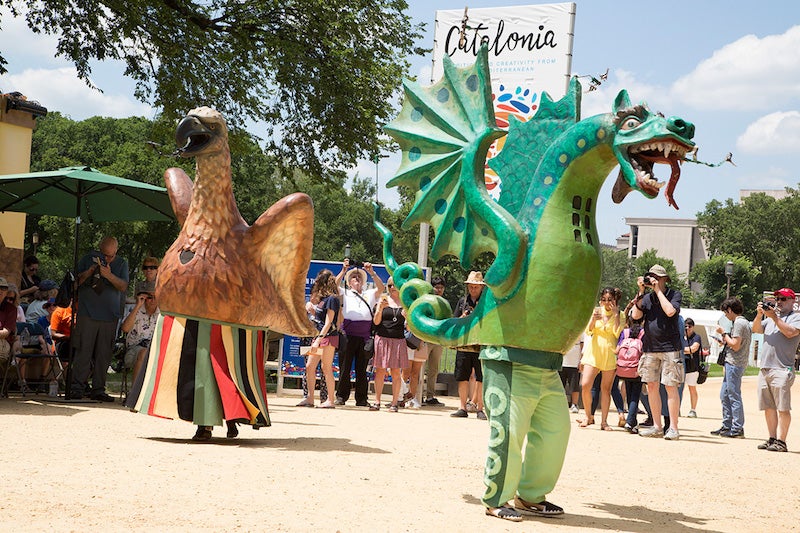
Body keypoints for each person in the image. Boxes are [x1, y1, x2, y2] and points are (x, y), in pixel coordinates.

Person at [69, 236, 129, 401]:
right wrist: (88, 272)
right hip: (87, 313)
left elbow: (123, 286)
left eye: (110, 256)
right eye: (104, 254)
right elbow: (74, 284)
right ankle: (77, 388)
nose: (106, 258)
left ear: (116, 252)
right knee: (83, 351)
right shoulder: (87, 259)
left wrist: (108, 275)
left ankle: (98, 389)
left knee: (104, 354)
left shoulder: (122, 263)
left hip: (110, 315)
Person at [630, 264, 683, 440]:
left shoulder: (674, 294)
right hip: (650, 347)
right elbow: (636, 317)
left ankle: (673, 428)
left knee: (670, 386)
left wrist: (658, 291)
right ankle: (657, 426)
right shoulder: (646, 298)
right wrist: (640, 293)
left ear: (663, 279)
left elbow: (670, 311)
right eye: (650, 277)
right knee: (651, 386)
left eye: (656, 278)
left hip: (670, 347)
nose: (652, 280)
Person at [752, 288, 800, 452]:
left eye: (784, 299)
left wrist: (774, 317)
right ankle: (772, 438)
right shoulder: (771, 319)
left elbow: (789, 332)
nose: (779, 302)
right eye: (777, 298)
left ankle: (782, 441)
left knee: (783, 408)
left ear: (793, 301)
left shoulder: (796, 318)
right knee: (768, 407)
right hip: (765, 368)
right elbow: (756, 329)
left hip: (782, 368)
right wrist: (760, 315)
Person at [334, 260, 384, 406]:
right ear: (349, 283)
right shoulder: (346, 292)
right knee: (344, 368)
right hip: (348, 334)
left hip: (364, 336)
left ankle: (361, 399)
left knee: (362, 370)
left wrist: (372, 272)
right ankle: (341, 396)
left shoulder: (369, 293)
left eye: (359, 278)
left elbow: (381, 287)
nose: (357, 279)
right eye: (354, 278)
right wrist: (343, 271)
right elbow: (334, 285)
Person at [577, 287, 624, 430]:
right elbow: (588, 331)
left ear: (615, 300)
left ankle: (604, 421)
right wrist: (592, 319)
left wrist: (615, 315)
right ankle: (588, 416)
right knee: (585, 385)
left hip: (609, 353)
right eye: (604, 299)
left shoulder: (620, 315)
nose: (606, 302)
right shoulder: (596, 312)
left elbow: (617, 333)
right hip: (594, 351)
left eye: (610, 299)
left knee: (606, 389)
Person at [296, 269, 339, 409]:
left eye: (318, 280)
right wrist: (313, 311)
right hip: (319, 336)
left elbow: (329, 322)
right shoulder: (323, 300)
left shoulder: (332, 299)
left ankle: (330, 400)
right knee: (310, 366)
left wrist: (319, 339)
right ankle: (310, 398)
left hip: (327, 337)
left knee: (326, 368)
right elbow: (320, 319)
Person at [709, 298, 752, 438]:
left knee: (733, 395)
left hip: (735, 363)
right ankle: (727, 425)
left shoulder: (739, 323)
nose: (726, 316)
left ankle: (737, 427)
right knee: (725, 395)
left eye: (726, 312)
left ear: (730, 310)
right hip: (733, 362)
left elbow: (735, 344)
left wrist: (723, 333)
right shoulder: (742, 322)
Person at [450, 271, 486, 420]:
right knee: (462, 376)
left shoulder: (486, 303)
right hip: (464, 344)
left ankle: (480, 408)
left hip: (480, 344)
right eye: (471, 287)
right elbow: (454, 321)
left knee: (480, 377)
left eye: (476, 287)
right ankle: (462, 407)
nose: (473, 289)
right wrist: (462, 318)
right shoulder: (462, 301)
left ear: (481, 288)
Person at [370, 278, 407, 412]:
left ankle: (394, 402)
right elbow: (376, 322)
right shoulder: (383, 299)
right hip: (382, 338)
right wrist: (380, 308)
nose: (392, 288)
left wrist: (407, 317)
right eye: (390, 285)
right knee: (380, 370)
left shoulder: (405, 303)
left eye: (395, 285)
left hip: (398, 340)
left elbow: (408, 328)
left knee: (396, 372)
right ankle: (377, 401)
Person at [120, 281, 160, 392]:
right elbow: (125, 329)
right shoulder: (136, 311)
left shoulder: (162, 315)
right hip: (134, 351)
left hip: (155, 351)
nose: (151, 300)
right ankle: (135, 394)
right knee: (143, 352)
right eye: (148, 297)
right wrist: (138, 306)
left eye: (154, 297)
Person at [422, 276, 449, 406]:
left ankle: (430, 396)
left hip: (438, 340)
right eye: (436, 287)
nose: (439, 290)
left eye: (441, 288)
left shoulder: (445, 303)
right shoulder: (427, 300)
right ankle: (415, 394)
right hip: (426, 339)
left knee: (433, 369)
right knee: (419, 367)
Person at [682, 318, 703, 418]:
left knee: (692, 388)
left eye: (689, 326)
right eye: (685, 326)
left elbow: (694, 349)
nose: (687, 328)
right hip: (681, 365)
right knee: (678, 389)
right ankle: (676, 409)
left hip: (692, 367)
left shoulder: (696, 337)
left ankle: (693, 409)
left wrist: (683, 350)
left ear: (693, 327)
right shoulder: (681, 337)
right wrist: (686, 350)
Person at [560, 335, 583, 413]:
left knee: (574, 385)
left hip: (574, 362)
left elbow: (582, 345)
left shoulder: (581, 329)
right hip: (561, 361)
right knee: (559, 385)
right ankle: (560, 404)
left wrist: (581, 360)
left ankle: (574, 404)